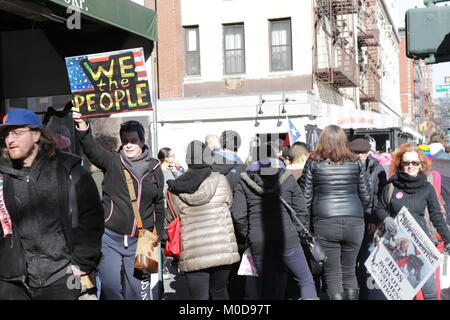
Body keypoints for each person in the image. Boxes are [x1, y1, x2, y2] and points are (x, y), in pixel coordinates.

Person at [0, 109, 104, 300]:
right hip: (15, 281)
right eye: (6, 134)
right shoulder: (3, 176)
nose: (10, 139)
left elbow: (92, 218)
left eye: (17, 132)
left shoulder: (69, 170)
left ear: (36, 134)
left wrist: (81, 261)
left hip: (62, 276)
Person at [71, 108, 165, 300]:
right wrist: (82, 126)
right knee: (111, 288)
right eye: (125, 141)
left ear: (142, 141)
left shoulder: (155, 167)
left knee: (139, 293)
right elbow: (92, 150)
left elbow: (159, 204)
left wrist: (158, 234)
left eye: (133, 141)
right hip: (110, 237)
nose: (129, 145)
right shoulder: (113, 162)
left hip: (144, 240)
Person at [232, 142, 318, 300]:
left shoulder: (244, 181)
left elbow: (238, 214)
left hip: (259, 240)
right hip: (288, 237)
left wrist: (247, 234)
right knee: (305, 281)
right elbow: (301, 209)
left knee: (267, 288)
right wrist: (299, 232)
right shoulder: (286, 177)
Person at [299, 125, 371, 300]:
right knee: (349, 270)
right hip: (354, 221)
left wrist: (306, 226)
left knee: (332, 273)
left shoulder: (313, 161)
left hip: (324, 221)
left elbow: (305, 198)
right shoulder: (356, 162)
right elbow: (366, 197)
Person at [166, 140, 240, 300]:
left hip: (193, 251)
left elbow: (171, 217)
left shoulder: (175, 188)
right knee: (219, 292)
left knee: (199, 298)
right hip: (221, 247)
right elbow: (229, 204)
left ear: (187, 160)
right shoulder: (221, 180)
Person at [375, 143, 450, 300]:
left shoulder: (427, 187)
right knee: (402, 294)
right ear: (400, 164)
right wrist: (386, 218)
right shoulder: (391, 186)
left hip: (421, 244)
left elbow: (436, 215)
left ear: (421, 164)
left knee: (430, 291)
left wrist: (447, 238)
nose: (410, 166)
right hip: (396, 245)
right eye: (406, 163)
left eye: (414, 163)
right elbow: (380, 208)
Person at [349, 138, 388, 300]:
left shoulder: (377, 168)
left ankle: (364, 295)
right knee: (349, 262)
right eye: (357, 153)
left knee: (364, 261)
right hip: (349, 220)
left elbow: (380, 196)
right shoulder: (343, 165)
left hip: (368, 220)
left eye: (364, 152)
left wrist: (374, 219)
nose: (361, 156)